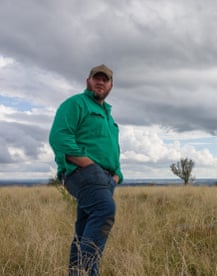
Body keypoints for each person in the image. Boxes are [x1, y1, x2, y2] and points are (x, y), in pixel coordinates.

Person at [49, 64, 123, 275]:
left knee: (83, 229)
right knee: (104, 210)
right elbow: (59, 137)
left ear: (111, 85)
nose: (100, 82)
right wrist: (87, 164)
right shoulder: (76, 104)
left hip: (106, 179)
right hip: (85, 173)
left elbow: (112, 150)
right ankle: (89, 272)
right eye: (96, 78)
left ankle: (76, 272)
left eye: (105, 79)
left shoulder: (109, 117)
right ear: (88, 81)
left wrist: (117, 175)